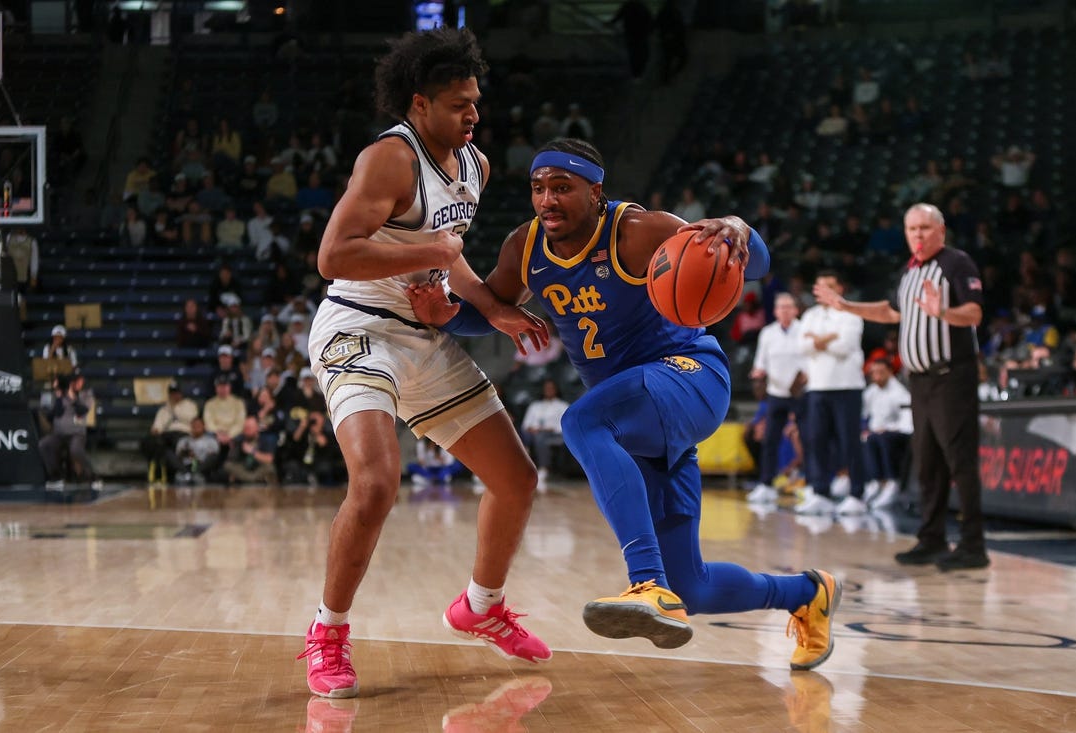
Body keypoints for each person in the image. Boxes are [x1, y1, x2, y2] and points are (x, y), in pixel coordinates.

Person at [408, 138, 840, 672]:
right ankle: (806, 593)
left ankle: (645, 582)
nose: (547, 200)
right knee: (694, 587)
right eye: (539, 189)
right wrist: (448, 314)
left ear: (596, 192)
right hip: (638, 416)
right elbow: (491, 306)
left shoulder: (640, 230)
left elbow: (758, 264)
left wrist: (738, 228)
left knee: (582, 421)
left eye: (562, 188)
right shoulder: (526, 247)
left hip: (690, 377)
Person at [297, 27, 554, 701]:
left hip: (421, 336)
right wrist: (430, 256)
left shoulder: (476, 164)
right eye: (458, 103)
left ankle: (482, 604)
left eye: (476, 100)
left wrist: (489, 308)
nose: (473, 113)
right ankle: (328, 631)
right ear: (419, 104)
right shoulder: (390, 159)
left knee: (517, 479)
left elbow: (450, 251)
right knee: (378, 483)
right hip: (356, 328)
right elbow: (334, 255)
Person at [813, 202, 989, 570]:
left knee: (960, 462)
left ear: (941, 230)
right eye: (912, 229)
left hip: (951, 377)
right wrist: (846, 306)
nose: (918, 235)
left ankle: (973, 547)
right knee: (927, 465)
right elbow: (891, 312)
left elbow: (974, 313)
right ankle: (932, 540)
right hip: (920, 383)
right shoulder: (909, 271)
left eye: (925, 228)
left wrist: (942, 312)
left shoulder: (957, 263)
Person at [796, 271, 868, 516]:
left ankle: (857, 494)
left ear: (840, 288)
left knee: (849, 442)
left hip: (847, 386)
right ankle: (820, 492)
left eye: (830, 286)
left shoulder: (852, 313)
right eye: (820, 286)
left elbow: (845, 347)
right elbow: (802, 346)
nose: (824, 290)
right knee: (816, 441)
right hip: (817, 387)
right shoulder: (810, 315)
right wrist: (829, 337)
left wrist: (817, 340)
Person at [747, 293, 806, 504]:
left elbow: (810, 360)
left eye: (789, 307)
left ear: (796, 310)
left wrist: (803, 378)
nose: (785, 311)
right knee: (770, 439)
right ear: (775, 311)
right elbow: (760, 363)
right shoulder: (768, 333)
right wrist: (758, 375)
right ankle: (766, 484)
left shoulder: (804, 330)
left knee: (807, 437)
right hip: (775, 393)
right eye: (781, 307)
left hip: (800, 393)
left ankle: (810, 483)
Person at [860, 358, 912, 509]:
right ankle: (874, 482)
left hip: (896, 434)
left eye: (881, 372)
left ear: (889, 372)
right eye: (873, 373)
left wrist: (889, 428)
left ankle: (891, 483)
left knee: (881, 438)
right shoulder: (871, 392)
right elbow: (864, 415)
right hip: (876, 433)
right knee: (867, 438)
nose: (877, 377)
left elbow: (906, 420)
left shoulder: (899, 392)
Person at [39, 369, 99, 490]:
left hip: (77, 434)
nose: (79, 384)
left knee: (75, 450)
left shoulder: (86, 394)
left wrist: (73, 398)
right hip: (59, 434)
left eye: (81, 381)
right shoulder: (58, 396)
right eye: (76, 381)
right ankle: (56, 478)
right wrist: (60, 398)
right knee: (44, 445)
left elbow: (82, 411)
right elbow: (52, 415)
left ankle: (93, 477)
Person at [519, 378, 569, 490]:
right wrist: (532, 429)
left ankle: (543, 468)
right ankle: (521, 468)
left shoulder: (562, 405)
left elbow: (564, 426)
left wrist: (548, 429)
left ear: (556, 390)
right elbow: (526, 424)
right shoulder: (535, 405)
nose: (548, 390)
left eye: (551, 388)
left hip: (555, 434)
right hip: (533, 434)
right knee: (523, 435)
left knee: (540, 436)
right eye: (546, 388)